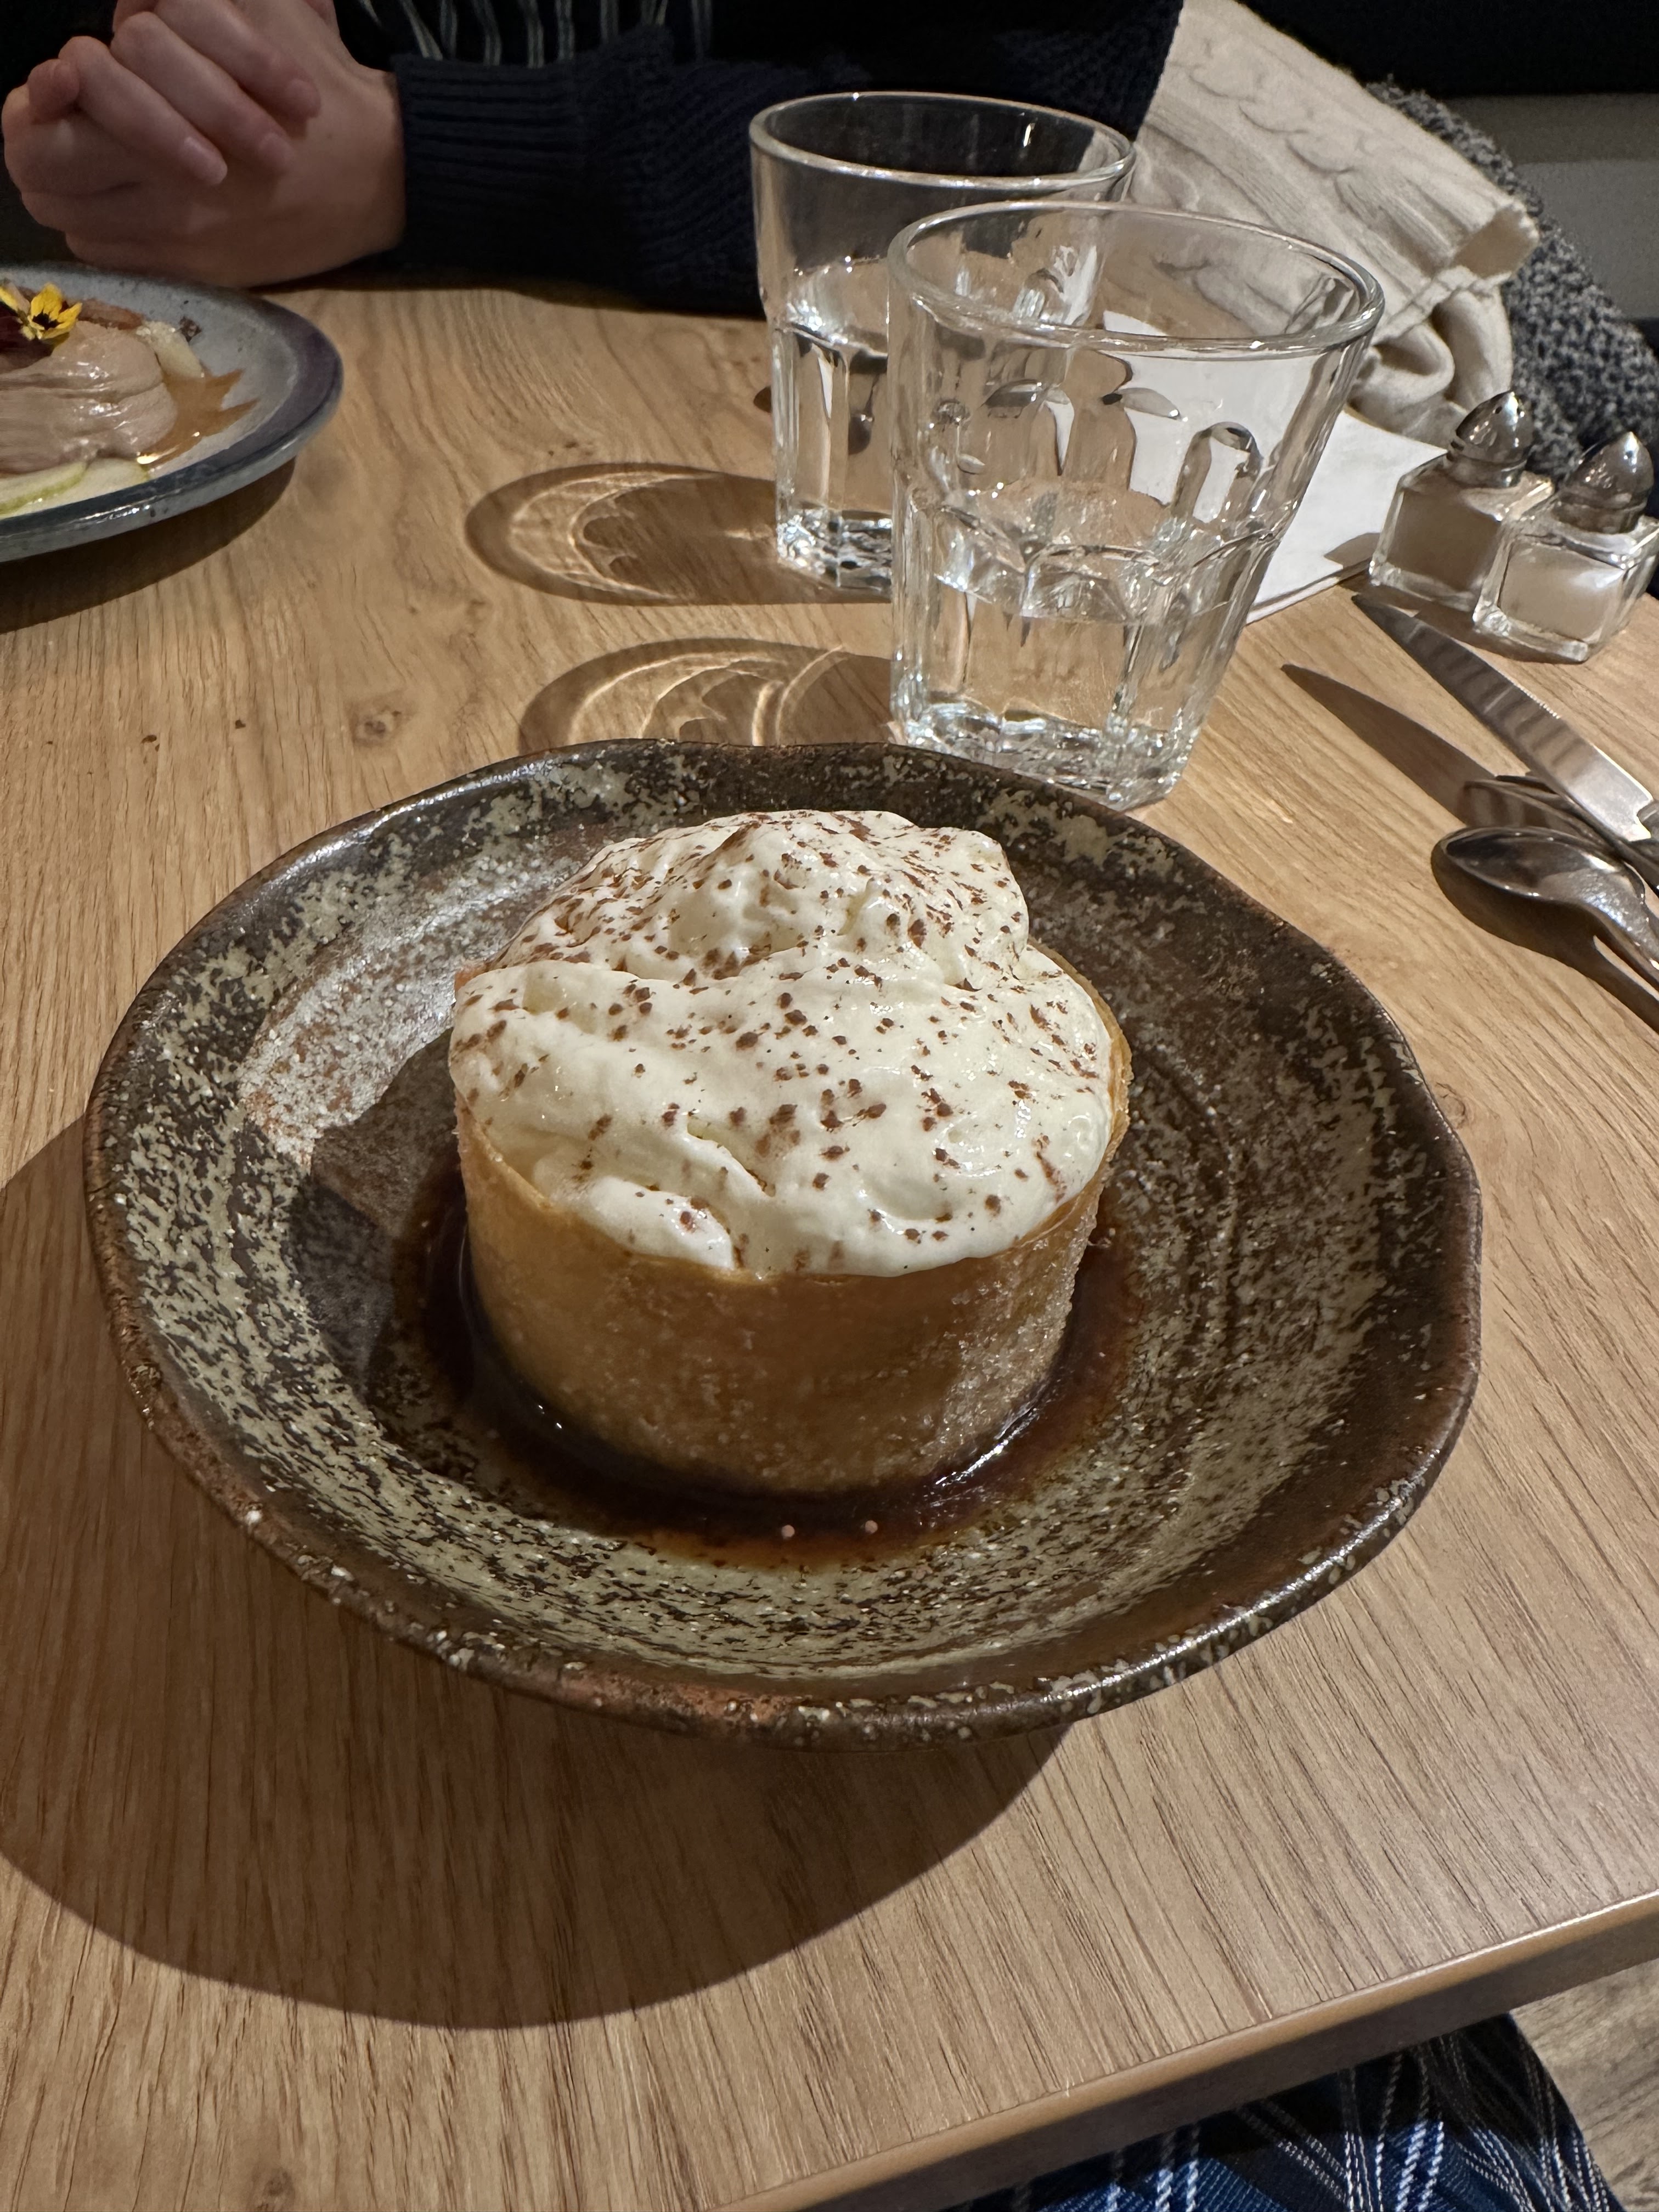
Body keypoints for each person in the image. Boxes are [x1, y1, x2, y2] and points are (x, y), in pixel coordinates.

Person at [1, 0, 1182, 300]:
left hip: (749, 356)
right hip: (172, 302)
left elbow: (1011, 133)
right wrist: (127, 91)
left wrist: (414, 156)